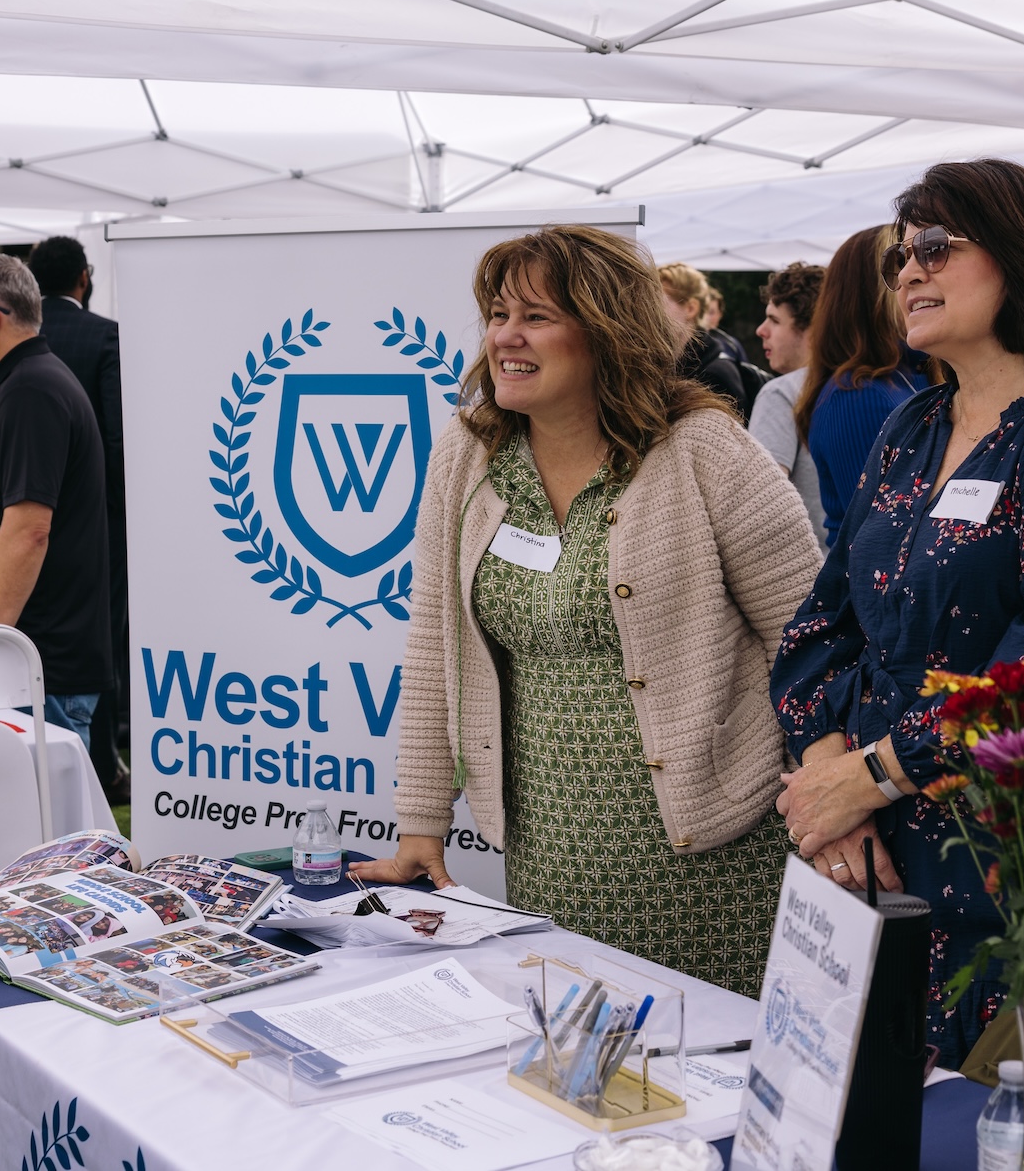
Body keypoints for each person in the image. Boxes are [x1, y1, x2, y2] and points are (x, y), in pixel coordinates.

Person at [771, 159, 1024, 1067]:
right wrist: (834, 775)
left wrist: (872, 774)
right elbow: (816, 630)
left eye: (936, 248)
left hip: (1014, 869)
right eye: (901, 257)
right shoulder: (909, 428)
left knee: (1002, 1130)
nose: (908, 271)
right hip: (869, 859)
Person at [352, 225, 824, 995]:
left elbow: (808, 643)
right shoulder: (468, 457)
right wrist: (420, 825)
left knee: (707, 1082)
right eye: (498, 314)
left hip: (719, 858)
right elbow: (437, 647)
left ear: (605, 331)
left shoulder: (704, 450)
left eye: (536, 316)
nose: (506, 336)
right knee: (577, 1077)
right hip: (553, 856)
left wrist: (826, 798)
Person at [0, 254, 113, 748]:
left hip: (36, 671)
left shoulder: (32, 390)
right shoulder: (17, 385)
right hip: (28, 666)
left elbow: (29, 530)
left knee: (42, 823)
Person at [30, 236, 128, 796]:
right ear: (84, 279)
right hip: (95, 517)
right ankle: (100, 759)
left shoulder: (17, 338)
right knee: (100, 629)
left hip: (26, 507)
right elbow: (115, 437)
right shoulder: (104, 334)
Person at [795, 225, 927, 545]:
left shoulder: (908, 374)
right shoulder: (858, 396)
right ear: (871, 293)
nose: (917, 275)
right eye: (900, 264)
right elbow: (881, 538)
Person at [748, 261, 828, 545]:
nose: (761, 330)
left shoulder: (781, 393)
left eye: (774, 320)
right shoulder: (864, 386)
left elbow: (760, 506)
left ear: (811, 330)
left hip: (807, 576)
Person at [658, 261, 750, 414]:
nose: (649, 311)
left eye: (657, 302)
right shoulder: (671, 364)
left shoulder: (716, 375)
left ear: (691, 308)